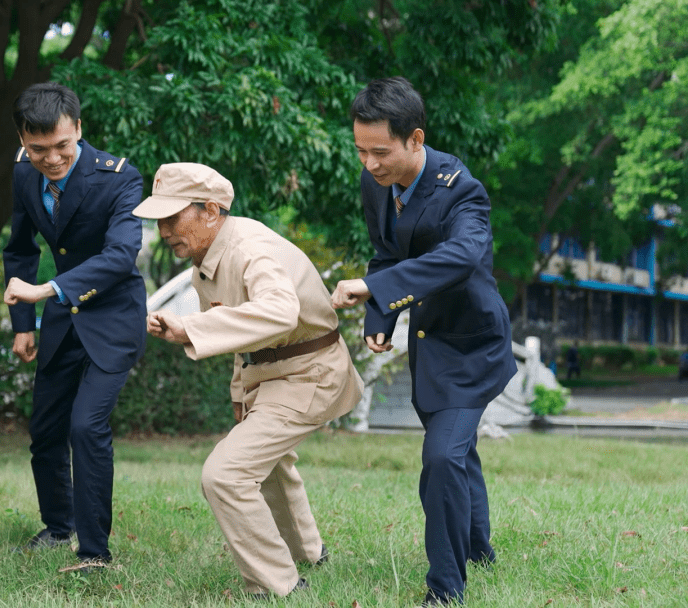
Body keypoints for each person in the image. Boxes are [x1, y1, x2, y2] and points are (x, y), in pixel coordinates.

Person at [136, 163, 364, 599]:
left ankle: (279, 586)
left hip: (309, 372)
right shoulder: (207, 256)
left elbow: (280, 312)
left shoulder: (250, 248)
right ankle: (309, 553)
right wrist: (240, 392)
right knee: (269, 462)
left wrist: (190, 328)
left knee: (225, 474)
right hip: (273, 373)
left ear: (210, 210)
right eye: (158, 219)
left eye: (172, 217)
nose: (164, 230)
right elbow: (245, 334)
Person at [331, 77, 515, 607]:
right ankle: (479, 549)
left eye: (380, 152)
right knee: (457, 452)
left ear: (415, 138)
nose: (369, 164)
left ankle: (446, 590)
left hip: (472, 344)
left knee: (440, 458)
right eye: (360, 151)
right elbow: (387, 251)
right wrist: (379, 315)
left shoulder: (462, 189)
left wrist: (372, 288)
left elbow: (461, 258)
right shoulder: (377, 182)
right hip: (430, 343)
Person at [2, 82, 146, 572]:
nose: (52, 158)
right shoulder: (23, 173)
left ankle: (94, 550)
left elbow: (121, 254)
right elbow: (20, 249)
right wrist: (23, 322)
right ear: (22, 139)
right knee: (45, 430)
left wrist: (46, 292)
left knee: (86, 426)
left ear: (78, 129)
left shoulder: (119, 178)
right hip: (61, 319)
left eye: (62, 146)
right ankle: (58, 525)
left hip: (113, 317)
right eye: (37, 148)